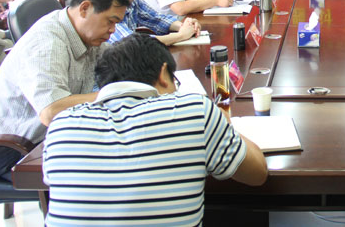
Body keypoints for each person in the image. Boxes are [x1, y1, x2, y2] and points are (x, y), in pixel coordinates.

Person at [43, 34, 268, 225]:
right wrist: (223, 122)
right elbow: (257, 173)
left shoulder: (60, 127)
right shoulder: (194, 111)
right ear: (163, 74)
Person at [0, 0, 129, 181]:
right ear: (85, 8)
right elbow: (51, 111)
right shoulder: (48, 43)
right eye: (110, 21)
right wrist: (117, 93)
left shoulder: (85, 33)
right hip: (15, 149)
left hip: (48, 136)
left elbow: (117, 63)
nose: (113, 30)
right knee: (110, 170)